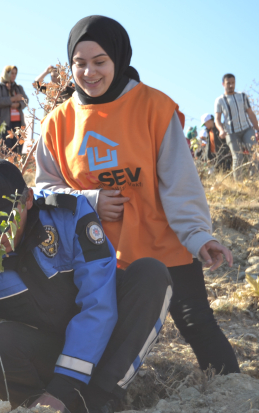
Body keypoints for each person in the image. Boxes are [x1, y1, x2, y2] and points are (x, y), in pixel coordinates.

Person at [35, 15, 238, 377]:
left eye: (100, 62)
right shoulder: (57, 122)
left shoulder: (154, 108)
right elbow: (43, 189)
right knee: (101, 331)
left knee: (197, 324)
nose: (89, 72)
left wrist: (198, 236)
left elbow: (180, 182)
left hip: (165, 242)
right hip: (98, 253)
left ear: (119, 58)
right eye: (79, 64)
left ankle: (236, 395)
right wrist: (90, 200)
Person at [0, 158, 172, 413]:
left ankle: (98, 400)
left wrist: (63, 390)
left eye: (5, 222)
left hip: (106, 342)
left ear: (28, 199)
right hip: (47, 351)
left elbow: (98, 306)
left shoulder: (69, 216)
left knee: (151, 274)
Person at [214, 73, 259, 181]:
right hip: (231, 132)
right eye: (228, 83)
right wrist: (221, 130)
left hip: (246, 129)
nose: (231, 85)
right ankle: (238, 184)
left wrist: (257, 128)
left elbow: (250, 113)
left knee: (255, 153)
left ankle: (253, 180)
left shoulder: (242, 96)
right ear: (223, 84)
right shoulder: (219, 100)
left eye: (233, 83)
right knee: (238, 157)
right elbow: (217, 119)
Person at [0, 65, 28, 153]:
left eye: (15, 73)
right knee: (6, 148)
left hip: (18, 123)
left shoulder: (19, 87)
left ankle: (17, 166)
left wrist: (19, 105)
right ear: (6, 73)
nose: (14, 75)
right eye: (12, 73)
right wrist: (14, 99)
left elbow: (26, 100)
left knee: (17, 149)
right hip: (3, 123)